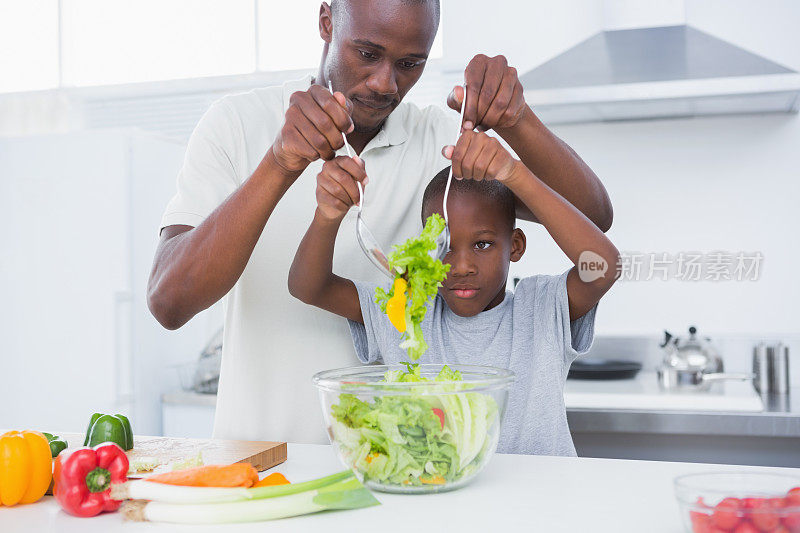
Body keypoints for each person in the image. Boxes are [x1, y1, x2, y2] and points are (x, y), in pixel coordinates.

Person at [147, 0, 613, 444]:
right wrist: (281, 161)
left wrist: (518, 120)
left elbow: (593, 220)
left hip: (403, 476)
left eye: (411, 63)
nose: (384, 83)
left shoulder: (442, 141)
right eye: (367, 54)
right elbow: (170, 302)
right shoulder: (236, 123)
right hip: (262, 464)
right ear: (327, 22)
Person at [288, 130, 620, 455]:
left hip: (541, 502)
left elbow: (604, 266)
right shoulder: (407, 312)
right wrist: (327, 216)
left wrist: (514, 174)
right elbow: (308, 286)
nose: (461, 266)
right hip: (442, 502)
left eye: (483, 244)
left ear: (515, 246)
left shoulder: (541, 308)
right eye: (444, 245)